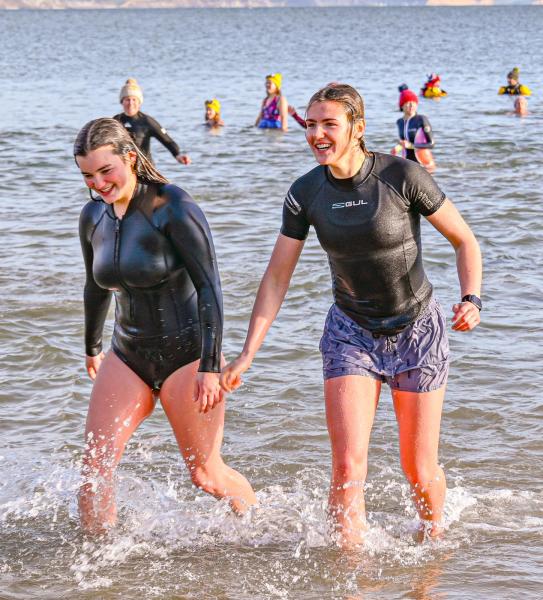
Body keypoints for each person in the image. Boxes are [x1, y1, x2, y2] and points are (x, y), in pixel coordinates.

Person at [221, 84, 482, 547]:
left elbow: (465, 240)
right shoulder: (306, 192)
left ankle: (434, 547)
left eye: (329, 124)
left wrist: (471, 299)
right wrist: (247, 353)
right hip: (350, 332)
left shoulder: (402, 176)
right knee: (346, 467)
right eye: (311, 124)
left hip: (417, 330)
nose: (317, 134)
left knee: (418, 469)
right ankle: (350, 568)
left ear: (357, 129)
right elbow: (277, 278)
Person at [74, 118, 256, 534]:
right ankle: (97, 561)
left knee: (206, 475)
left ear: (130, 157)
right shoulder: (93, 216)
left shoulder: (172, 206)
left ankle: (258, 527)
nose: (98, 184)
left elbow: (210, 287)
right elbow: (95, 286)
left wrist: (210, 365)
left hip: (187, 355)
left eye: (105, 171)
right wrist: (92, 346)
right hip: (128, 353)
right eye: (87, 176)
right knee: (93, 472)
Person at [113, 78, 191, 165]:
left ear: (139, 103)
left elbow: (167, 141)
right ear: (122, 102)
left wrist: (178, 155)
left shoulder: (147, 121)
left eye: (134, 99)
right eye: (127, 99)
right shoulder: (115, 121)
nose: (131, 103)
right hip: (122, 167)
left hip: (144, 168)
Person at [395, 87, 436, 172]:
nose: (411, 105)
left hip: (424, 165)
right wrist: (397, 148)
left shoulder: (421, 119)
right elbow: (405, 142)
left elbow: (431, 144)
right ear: (402, 105)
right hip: (407, 165)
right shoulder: (399, 122)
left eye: (414, 102)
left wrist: (411, 146)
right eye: (408, 102)